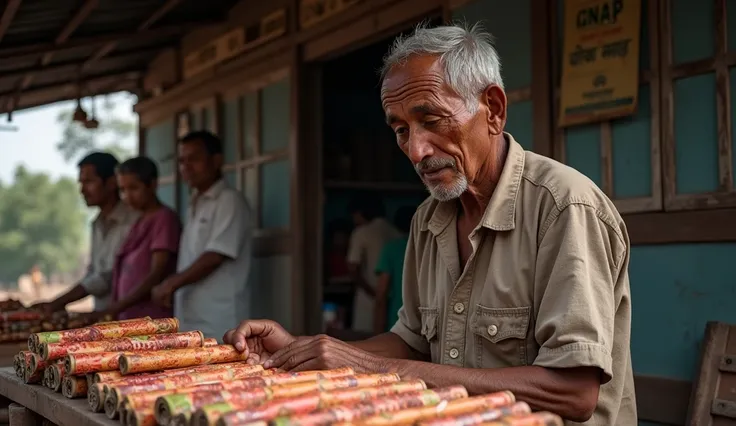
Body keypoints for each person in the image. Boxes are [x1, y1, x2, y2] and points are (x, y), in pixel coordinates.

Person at [224, 23, 635, 425]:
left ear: (492, 108)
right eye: (401, 130)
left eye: (432, 120)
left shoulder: (564, 208)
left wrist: (373, 367)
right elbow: (413, 343)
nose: (416, 150)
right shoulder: (429, 219)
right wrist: (304, 351)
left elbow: (574, 393)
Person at [151, 131, 253, 341]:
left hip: (219, 318)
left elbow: (216, 255)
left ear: (216, 161)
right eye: (181, 160)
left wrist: (172, 283)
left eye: (194, 159)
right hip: (190, 315)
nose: (186, 167)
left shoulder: (229, 201)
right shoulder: (196, 201)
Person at [32, 152, 139, 314]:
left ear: (111, 183)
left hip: (131, 319)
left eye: (89, 182)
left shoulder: (133, 221)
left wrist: (58, 303)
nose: (82, 190)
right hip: (104, 315)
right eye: (81, 183)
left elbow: (107, 277)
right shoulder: (97, 223)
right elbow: (93, 273)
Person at [96, 157, 181, 320]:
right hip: (129, 314)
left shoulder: (164, 219)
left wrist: (116, 307)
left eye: (134, 188)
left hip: (150, 317)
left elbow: (157, 272)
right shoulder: (140, 219)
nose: (127, 196)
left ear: (153, 185)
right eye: (123, 190)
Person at [346, 195, 401, 333]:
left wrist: (371, 292)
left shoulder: (361, 233)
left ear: (360, 212)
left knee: (365, 340)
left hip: (368, 297)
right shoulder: (396, 233)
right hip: (395, 299)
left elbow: (353, 268)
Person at [373, 206, 414, 334]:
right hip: (427, 325)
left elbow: (382, 293)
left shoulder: (391, 249)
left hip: (397, 324)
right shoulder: (431, 248)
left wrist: (378, 333)